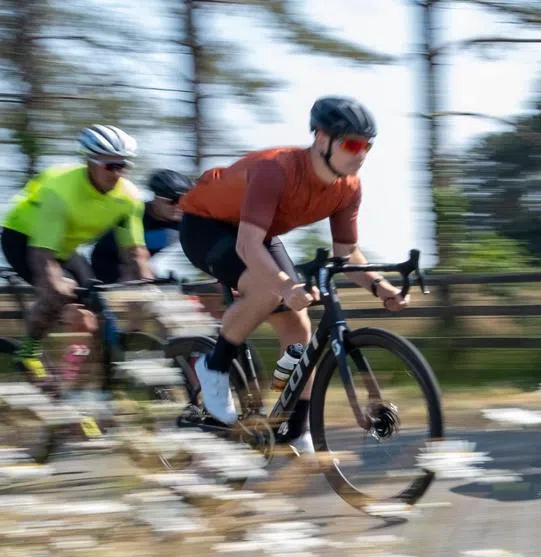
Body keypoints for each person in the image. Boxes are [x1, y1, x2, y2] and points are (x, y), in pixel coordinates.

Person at [178, 96, 409, 455]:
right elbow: (247, 246)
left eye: (367, 145)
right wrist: (285, 286)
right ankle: (214, 365)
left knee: (299, 331)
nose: (361, 153)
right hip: (207, 225)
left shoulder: (348, 187)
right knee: (268, 290)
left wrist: (382, 288)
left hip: (256, 232)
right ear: (321, 139)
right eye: (351, 143)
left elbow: (346, 253)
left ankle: (294, 429)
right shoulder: (277, 169)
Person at [1, 125, 152, 379]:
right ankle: (28, 350)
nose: (117, 173)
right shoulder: (60, 191)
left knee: (96, 314)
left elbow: (135, 252)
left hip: (65, 246)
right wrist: (56, 285)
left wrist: (147, 284)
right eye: (110, 165)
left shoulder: (129, 198)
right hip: (24, 238)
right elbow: (42, 254)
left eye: (123, 165)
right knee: (57, 295)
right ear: (90, 162)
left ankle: (71, 380)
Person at [90, 169, 191, 284]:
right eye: (173, 201)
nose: (179, 207)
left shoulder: (186, 220)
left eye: (184, 201)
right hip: (109, 263)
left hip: (142, 265)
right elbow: (133, 255)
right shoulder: (134, 214)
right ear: (155, 199)